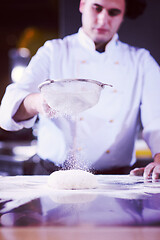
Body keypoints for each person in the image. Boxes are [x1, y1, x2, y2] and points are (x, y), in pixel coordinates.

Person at [0, 0, 160, 179]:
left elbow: (157, 120)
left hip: (114, 180)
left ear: (123, 16)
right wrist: (39, 103)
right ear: (83, 4)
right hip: (52, 176)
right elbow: (7, 109)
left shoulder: (140, 61)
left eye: (113, 12)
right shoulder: (54, 51)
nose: (102, 19)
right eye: (96, 8)